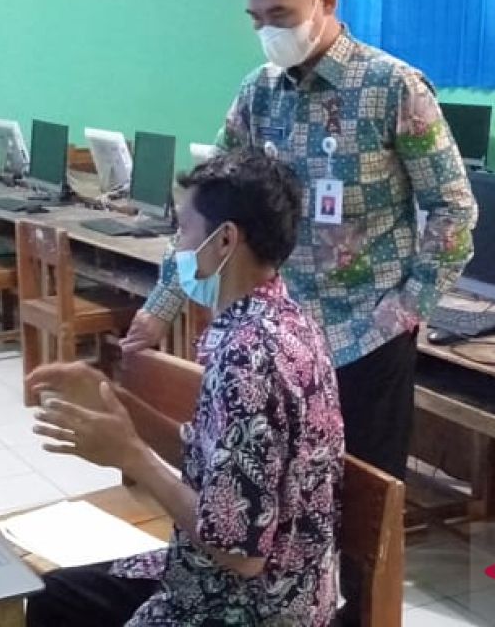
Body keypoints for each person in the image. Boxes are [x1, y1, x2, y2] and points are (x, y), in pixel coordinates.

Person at [121, 0, 477, 623]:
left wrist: (405, 307)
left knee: (363, 519)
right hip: (273, 344)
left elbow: (455, 211)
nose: (266, 33)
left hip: (363, 342)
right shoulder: (257, 96)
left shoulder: (393, 89)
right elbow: (207, 207)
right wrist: (159, 308)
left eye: (280, 16)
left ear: (326, 0)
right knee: (263, 510)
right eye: (256, 20)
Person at [25, 149, 344, 627]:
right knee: (57, 594)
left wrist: (132, 457)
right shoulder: (289, 322)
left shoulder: (247, 359)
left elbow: (239, 553)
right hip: (290, 586)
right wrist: (111, 397)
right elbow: (222, 462)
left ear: (225, 241)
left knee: (55, 605)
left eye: (184, 230)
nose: (176, 245)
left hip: (252, 606)